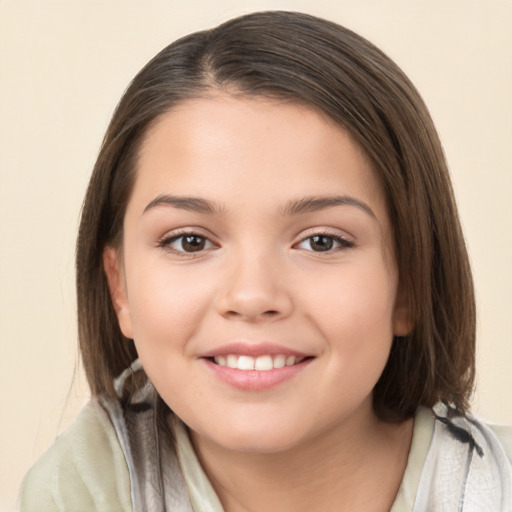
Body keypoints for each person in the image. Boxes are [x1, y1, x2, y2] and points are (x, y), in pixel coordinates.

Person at [19, 10, 512, 512]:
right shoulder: (73, 494)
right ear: (119, 287)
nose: (253, 296)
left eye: (322, 242)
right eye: (190, 241)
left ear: (408, 284)